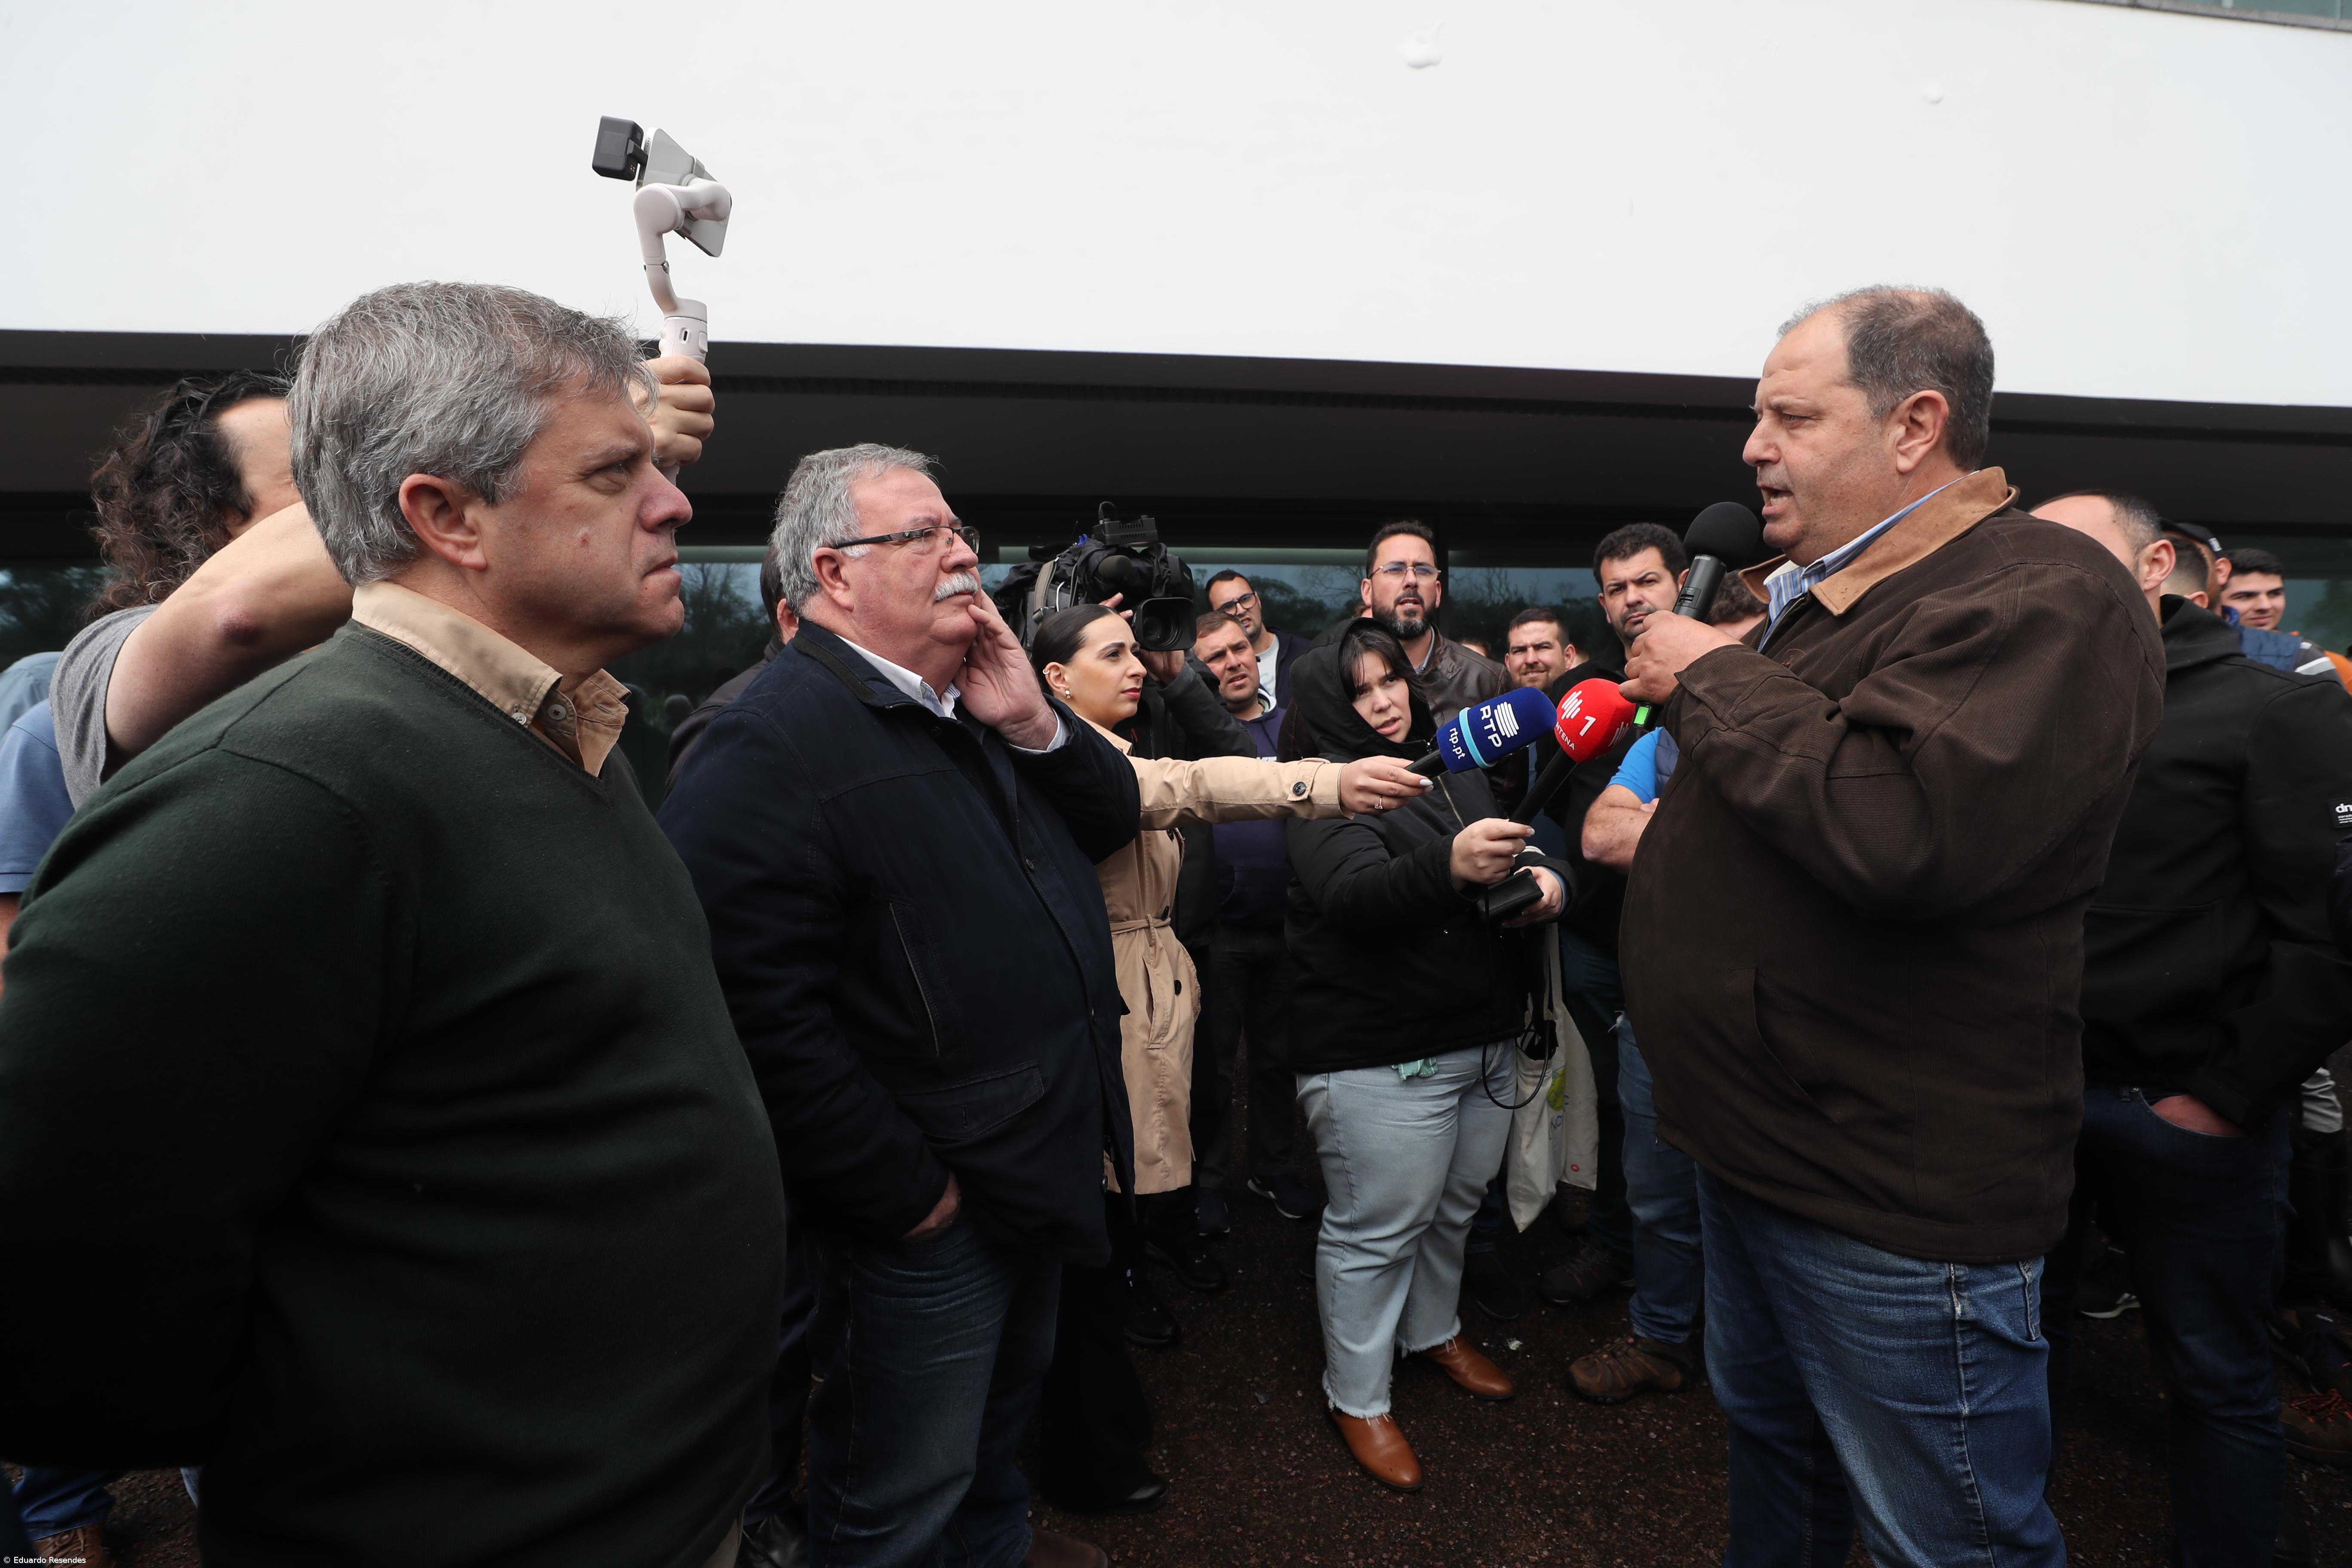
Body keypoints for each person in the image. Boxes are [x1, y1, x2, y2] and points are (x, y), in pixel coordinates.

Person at [0, 282, 787, 1567]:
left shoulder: (558, 737)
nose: (679, 502)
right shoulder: (284, 788)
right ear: (443, 514)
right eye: (614, 470)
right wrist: (361, 1444)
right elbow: (54, 1291)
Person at [1617, 286, 2162, 1566]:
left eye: (1792, 415)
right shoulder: (1837, 596)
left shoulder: (2046, 589)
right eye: (1756, 415)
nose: (1754, 445)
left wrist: (1708, 668)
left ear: (1918, 423)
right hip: (1762, 1154)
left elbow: (1902, 826)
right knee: (1782, 1458)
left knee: (1949, 1537)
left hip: (1886, 1201)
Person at [661, 443, 1140, 1568]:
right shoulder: (763, 742)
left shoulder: (973, 702)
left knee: (985, 1465)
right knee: (896, 1502)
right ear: (832, 573)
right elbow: (749, 1013)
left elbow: (1111, 817)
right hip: (928, 1221)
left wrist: (1036, 723)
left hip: (1030, 1174)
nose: (964, 553)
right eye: (924, 535)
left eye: (960, 530)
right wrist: (910, 1195)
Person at [1027, 602, 1425, 1516]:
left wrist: (1180, 679)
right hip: (1112, 988)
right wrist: (1324, 783)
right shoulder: (1072, 762)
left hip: (1158, 972)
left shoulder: (1106, 737)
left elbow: (1208, 746)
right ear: (1052, 677)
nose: (1138, 667)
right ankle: (1091, 1410)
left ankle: (1132, 1297)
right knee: (1095, 1191)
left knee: (1140, 1167)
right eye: (1115, 653)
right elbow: (1194, 785)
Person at [2033, 488, 2352, 1563]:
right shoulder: (2032, 698)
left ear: (2156, 563)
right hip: (2032, 1105)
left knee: (2212, 1374)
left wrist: (2222, 1095)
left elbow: (2327, 934)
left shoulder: (2276, 701)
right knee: (2020, 1351)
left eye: (2073, 558)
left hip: (2184, 1112)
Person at [52, 359, 713, 805]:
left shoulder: (419, 654)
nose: (359, 493)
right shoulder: (102, 661)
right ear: (213, 521)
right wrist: (553, 436)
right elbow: (235, 611)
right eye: (316, 484)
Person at [1278, 621, 1572, 1491]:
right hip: (1379, 1054)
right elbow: (1355, 897)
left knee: (1452, 1211)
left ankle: (1433, 1332)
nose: (1383, 699)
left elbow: (1522, 849)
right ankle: (1358, 1397)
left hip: (1480, 1038)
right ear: (1330, 704)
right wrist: (1450, 866)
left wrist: (1552, 881)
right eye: (1361, 689)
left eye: (1390, 680)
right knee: (1379, 1231)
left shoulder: (1449, 764)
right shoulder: (1318, 787)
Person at [1530, 523, 1691, 1311]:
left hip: (1689, 947)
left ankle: (1687, 1292)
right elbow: (1570, 817)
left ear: (1683, 582)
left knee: (1684, 1116)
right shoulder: (1590, 692)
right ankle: (1618, 1245)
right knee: (1616, 1105)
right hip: (1596, 940)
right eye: (1618, 588)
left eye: (1647, 582)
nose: (1633, 599)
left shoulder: (1722, 681)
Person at [1563, 723, 1703, 1407]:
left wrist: (1660, 818)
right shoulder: (1662, 742)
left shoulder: (1797, 720)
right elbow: (1599, 837)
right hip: (1659, 1001)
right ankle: (1661, 1337)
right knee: (1656, 1189)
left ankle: (1759, 1354)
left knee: (1761, 1200)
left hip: (1768, 1013)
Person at [1190, 610, 1324, 1223]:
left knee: (1276, 1061)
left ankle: (1273, 1170)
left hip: (1286, 928)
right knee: (1212, 1064)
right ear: (1197, 670)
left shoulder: (1290, 728)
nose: (1234, 661)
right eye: (1216, 657)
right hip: (1217, 934)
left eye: (1240, 648)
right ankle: (1207, 1180)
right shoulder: (1192, 740)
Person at [1321, 520, 1508, 726]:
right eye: (1395, 569)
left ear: (1438, 593)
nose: (1411, 580)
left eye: (1423, 570)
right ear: (1368, 591)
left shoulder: (1488, 682)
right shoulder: (1328, 681)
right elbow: (1293, 758)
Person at [1204, 569, 1308, 710]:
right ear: (1215, 617)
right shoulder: (1212, 672)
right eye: (1228, 607)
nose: (1241, 610)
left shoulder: (1306, 652)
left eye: (1246, 599)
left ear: (1258, 600)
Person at [1503, 606, 1576, 690]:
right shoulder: (1493, 702)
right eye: (1520, 651)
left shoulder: (1591, 702)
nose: (1530, 660)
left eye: (1542, 648)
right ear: (1508, 663)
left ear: (1568, 657)